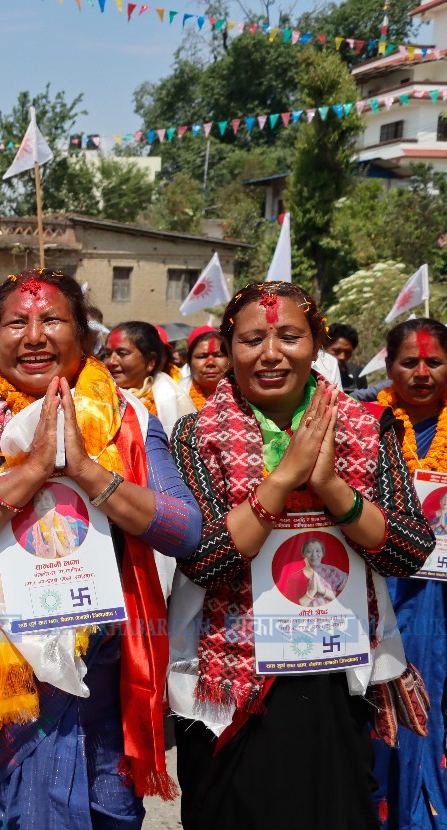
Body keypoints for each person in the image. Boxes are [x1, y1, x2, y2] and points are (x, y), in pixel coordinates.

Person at [0, 269, 198, 829]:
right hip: (3, 679)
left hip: (104, 678)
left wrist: (87, 471)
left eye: (52, 320)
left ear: (84, 338)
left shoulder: (130, 421)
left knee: (106, 811)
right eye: (17, 322)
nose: (34, 335)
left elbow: (184, 530)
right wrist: (33, 471)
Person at [168, 281, 434, 830]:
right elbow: (207, 561)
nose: (270, 353)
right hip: (232, 683)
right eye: (251, 340)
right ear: (228, 348)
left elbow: (409, 550)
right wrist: (285, 478)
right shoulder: (197, 435)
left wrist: (332, 487)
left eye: (289, 336)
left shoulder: (367, 426)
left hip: (334, 674)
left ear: (316, 344)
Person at [370, 318, 447, 829]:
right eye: (409, 362)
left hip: (442, 597)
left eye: (434, 362)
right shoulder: (363, 424)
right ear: (388, 365)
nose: (421, 372)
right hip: (382, 588)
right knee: (382, 705)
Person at [104, 321, 194, 436]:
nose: (112, 361)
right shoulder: (92, 397)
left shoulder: (176, 400)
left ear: (151, 361)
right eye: (107, 354)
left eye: (122, 353)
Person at [277, 536, 347, 607]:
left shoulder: (332, 572)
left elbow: (349, 592)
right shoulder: (294, 578)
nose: (314, 555)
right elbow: (291, 606)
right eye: (309, 551)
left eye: (317, 551)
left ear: (323, 553)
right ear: (303, 554)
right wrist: (311, 592)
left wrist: (323, 591)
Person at [181, 325, 230, 412]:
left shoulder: (246, 394)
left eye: (218, 355)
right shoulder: (176, 395)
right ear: (189, 361)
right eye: (202, 356)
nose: (210, 363)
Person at [326, 323, 365, 395]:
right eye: (337, 351)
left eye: (348, 352)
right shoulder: (312, 374)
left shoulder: (357, 373)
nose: (342, 357)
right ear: (324, 347)